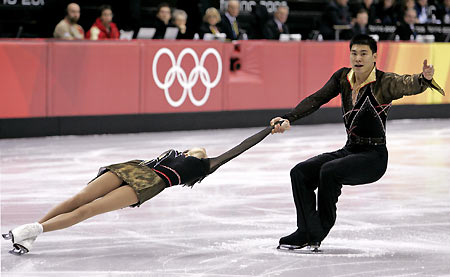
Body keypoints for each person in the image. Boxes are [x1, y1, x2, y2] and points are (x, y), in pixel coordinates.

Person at [270, 34, 445, 251]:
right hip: (350, 150)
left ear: (374, 57)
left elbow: (406, 84)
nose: (358, 58)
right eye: (354, 53)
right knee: (300, 172)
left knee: (329, 171)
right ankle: (305, 230)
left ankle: (317, 231)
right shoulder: (343, 77)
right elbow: (317, 99)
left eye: (363, 53)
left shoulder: (384, 82)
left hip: (373, 157)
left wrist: (423, 79)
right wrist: (289, 117)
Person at [2, 122, 284, 255]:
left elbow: (240, 148)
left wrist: (267, 131)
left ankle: (30, 231)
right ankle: (32, 232)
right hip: (136, 167)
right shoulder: (180, 150)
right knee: (80, 197)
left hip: (152, 183)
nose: (199, 149)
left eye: (200, 150)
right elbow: (182, 150)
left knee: (88, 210)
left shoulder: (207, 164)